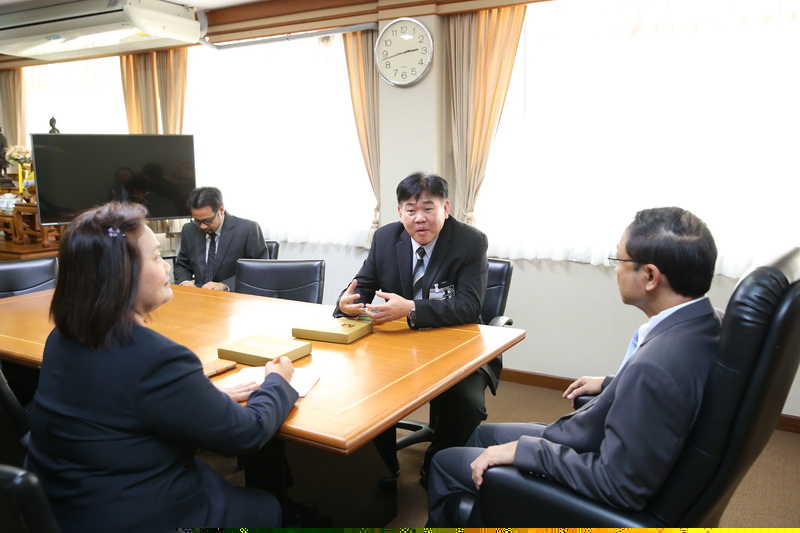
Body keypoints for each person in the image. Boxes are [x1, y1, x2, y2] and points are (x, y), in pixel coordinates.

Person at [426, 206, 722, 525]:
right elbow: (663, 398)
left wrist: (524, 452)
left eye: (619, 260)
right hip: (598, 435)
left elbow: (617, 484)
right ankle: (489, 509)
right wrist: (611, 383)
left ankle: (494, 500)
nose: (616, 270)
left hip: (593, 462)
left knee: (444, 462)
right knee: (480, 435)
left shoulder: (657, 366)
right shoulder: (705, 322)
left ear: (649, 276)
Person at [25, 201, 298, 530]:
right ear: (122, 273)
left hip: (65, 507)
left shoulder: (62, 336)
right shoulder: (155, 357)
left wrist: (201, 396)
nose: (167, 268)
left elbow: (118, 405)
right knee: (266, 507)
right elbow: (247, 434)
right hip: (143, 516)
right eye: (156, 257)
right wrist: (278, 381)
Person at [333, 171, 498, 487]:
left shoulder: (469, 241)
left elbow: (469, 306)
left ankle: (436, 464)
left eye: (428, 208)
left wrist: (411, 308)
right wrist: (346, 303)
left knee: (466, 405)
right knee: (365, 391)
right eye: (411, 210)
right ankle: (384, 468)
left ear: (445, 208)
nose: (419, 218)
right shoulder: (385, 238)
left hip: (455, 345)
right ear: (400, 212)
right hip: (397, 345)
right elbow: (362, 285)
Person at [174, 186, 268, 291]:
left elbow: (260, 269)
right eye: (196, 220)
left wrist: (225, 285)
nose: (202, 226)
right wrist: (184, 281)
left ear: (221, 210)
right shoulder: (189, 230)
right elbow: (182, 265)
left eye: (207, 221)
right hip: (199, 294)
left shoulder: (248, 229)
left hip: (233, 296)